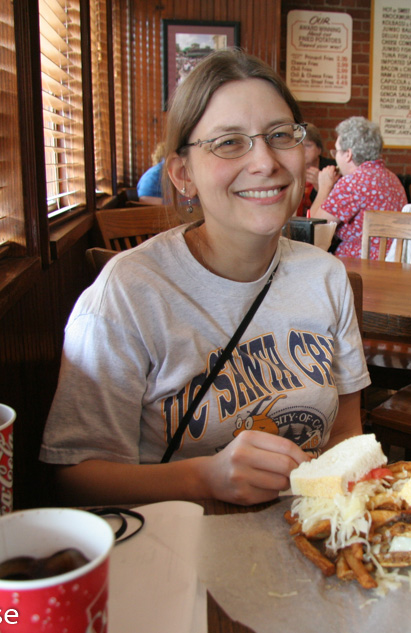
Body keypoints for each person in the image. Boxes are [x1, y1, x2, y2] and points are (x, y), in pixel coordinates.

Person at [40, 49, 369, 507]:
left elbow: (346, 435)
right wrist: (204, 478)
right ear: (182, 174)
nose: (265, 162)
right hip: (176, 554)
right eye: (229, 142)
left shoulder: (326, 277)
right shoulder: (129, 293)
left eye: (280, 135)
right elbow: (73, 479)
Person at [309, 116, 408, 258]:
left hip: (359, 266)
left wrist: (324, 187)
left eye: (336, 151)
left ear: (348, 154)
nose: (335, 156)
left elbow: (312, 229)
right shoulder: (392, 178)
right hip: (392, 262)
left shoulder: (353, 183)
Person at [295, 123, 334, 216]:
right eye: (298, 145)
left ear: (319, 149)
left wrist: (319, 187)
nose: (302, 150)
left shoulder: (332, 168)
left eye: (307, 145)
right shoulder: (288, 169)